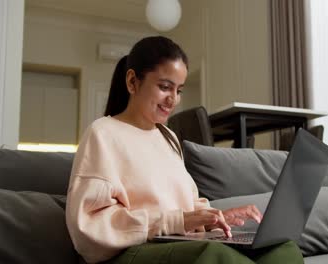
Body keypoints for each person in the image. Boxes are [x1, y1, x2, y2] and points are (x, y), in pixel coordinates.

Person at [65, 36, 303, 264]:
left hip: (181, 242)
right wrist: (174, 222)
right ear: (132, 82)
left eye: (178, 90)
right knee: (215, 255)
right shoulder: (103, 134)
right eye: (165, 87)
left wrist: (213, 218)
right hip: (132, 251)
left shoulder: (168, 137)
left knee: (282, 249)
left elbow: (187, 205)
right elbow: (89, 226)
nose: (173, 100)